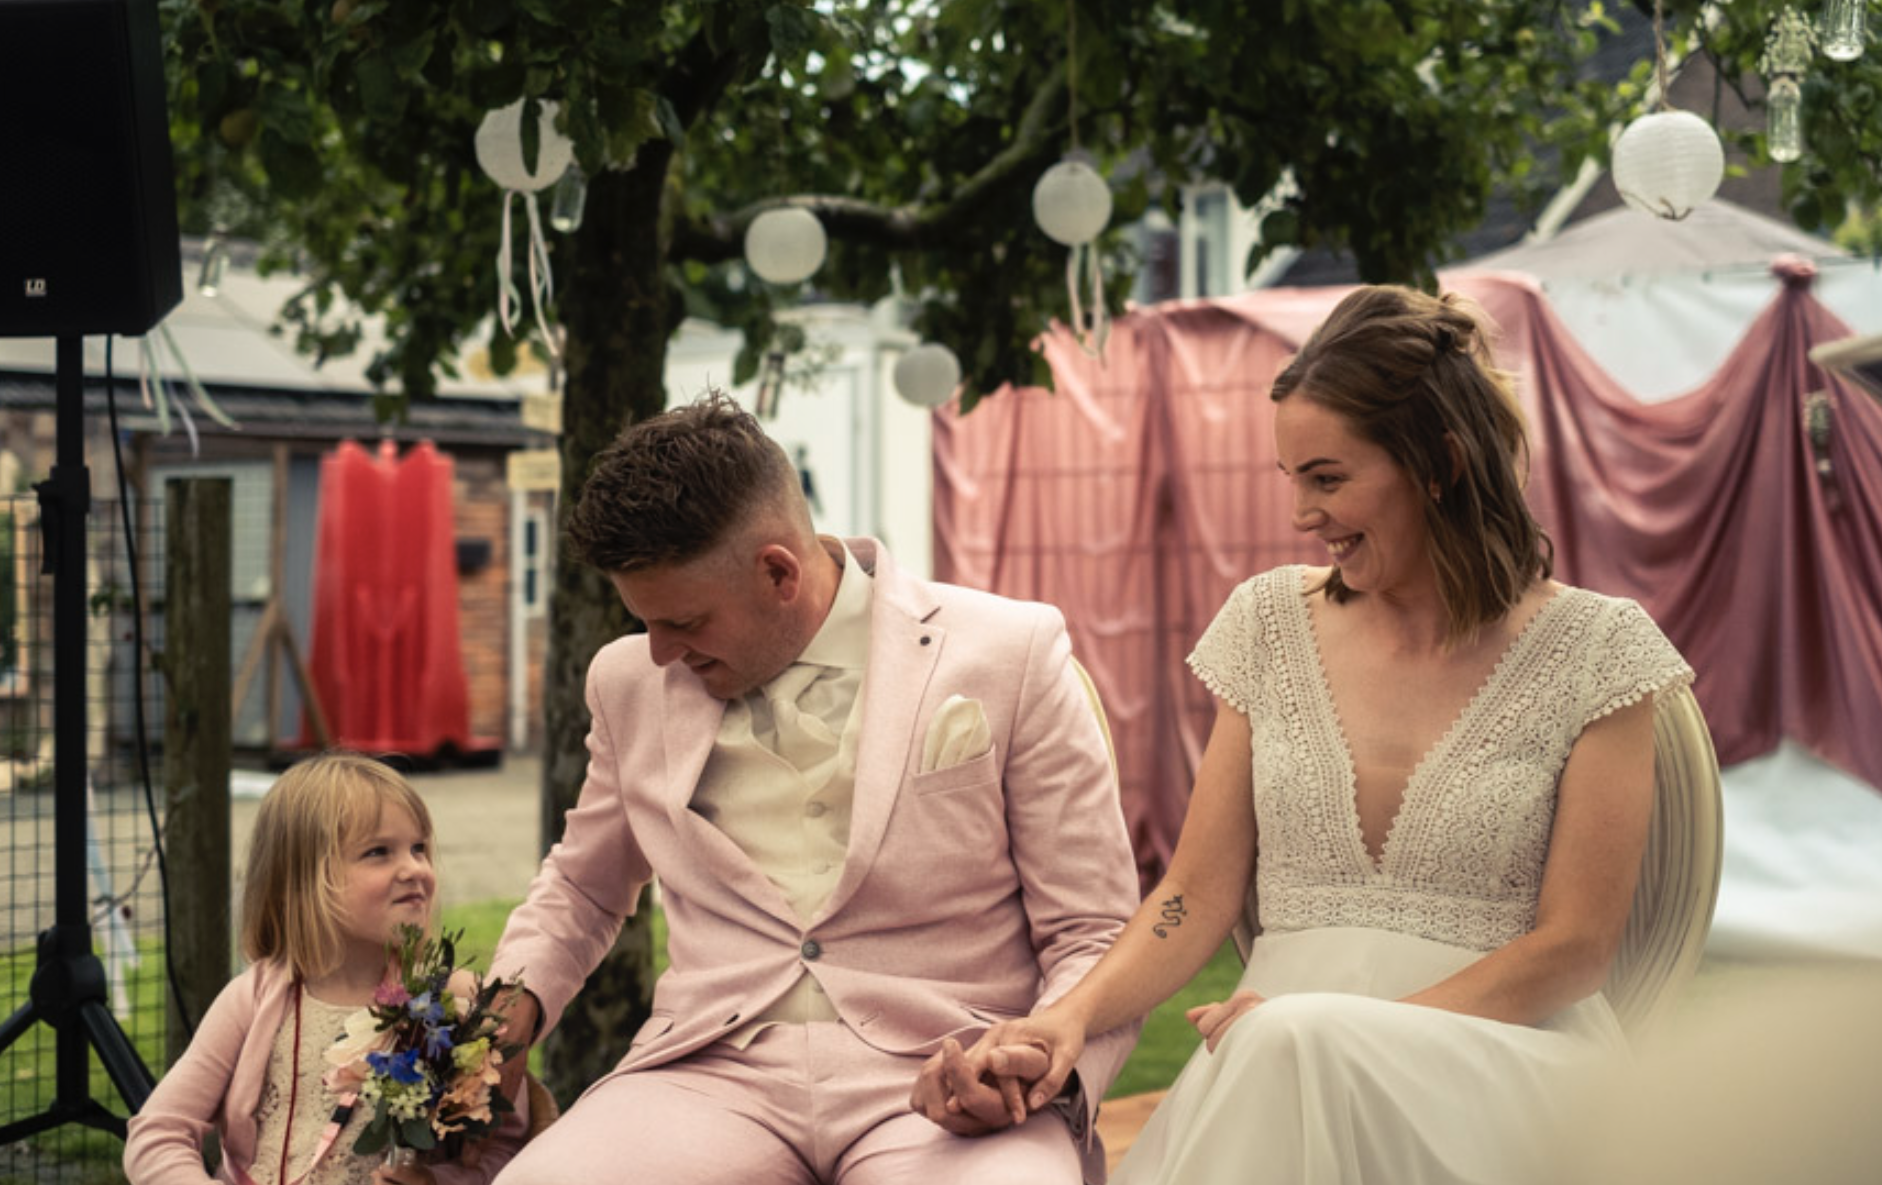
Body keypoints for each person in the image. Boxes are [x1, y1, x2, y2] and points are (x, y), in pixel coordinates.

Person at [926, 285, 1695, 1184]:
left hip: (1499, 1078)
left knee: (1286, 1048)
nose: (1301, 515)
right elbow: (1194, 894)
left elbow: (1576, 949)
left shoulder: (1600, 650)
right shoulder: (1267, 624)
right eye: (1291, 479)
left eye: (1327, 479)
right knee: (1280, 1057)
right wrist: (1068, 1016)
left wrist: (1331, 1030)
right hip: (1269, 1067)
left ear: (1441, 463)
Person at [487, 394, 1140, 1185]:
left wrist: (1034, 1063)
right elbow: (582, 889)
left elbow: (1093, 928)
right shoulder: (624, 683)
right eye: (644, 623)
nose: (658, 654)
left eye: (683, 623)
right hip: (708, 1075)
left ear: (778, 573)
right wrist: (511, 1004)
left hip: (949, 1071)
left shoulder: (1009, 651)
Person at [125, 753, 527, 1185]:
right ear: (299, 879)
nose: (414, 868)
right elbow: (157, 1134)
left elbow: (509, 1150)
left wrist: (438, 1182)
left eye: (419, 848)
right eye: (378, 852)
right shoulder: (253, 998)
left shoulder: (454, 1004)